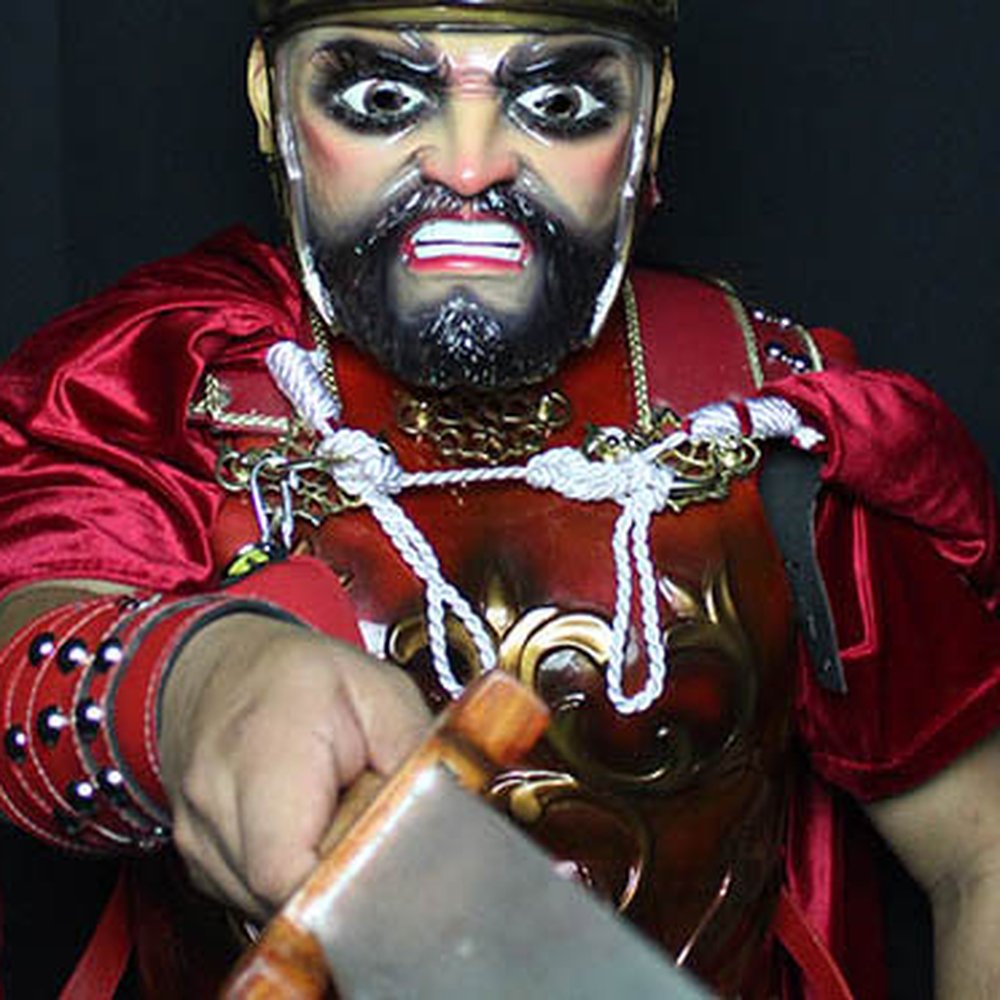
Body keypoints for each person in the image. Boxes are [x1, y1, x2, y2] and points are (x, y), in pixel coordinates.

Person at [0, 0, 997, 996]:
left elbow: (981, 852)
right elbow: (23, 657)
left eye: (558, 102)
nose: (469, 167)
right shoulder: (171, 385)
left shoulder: (769, 420)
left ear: (650, 116)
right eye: (382, 98)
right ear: (272, 104)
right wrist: (195, 687)